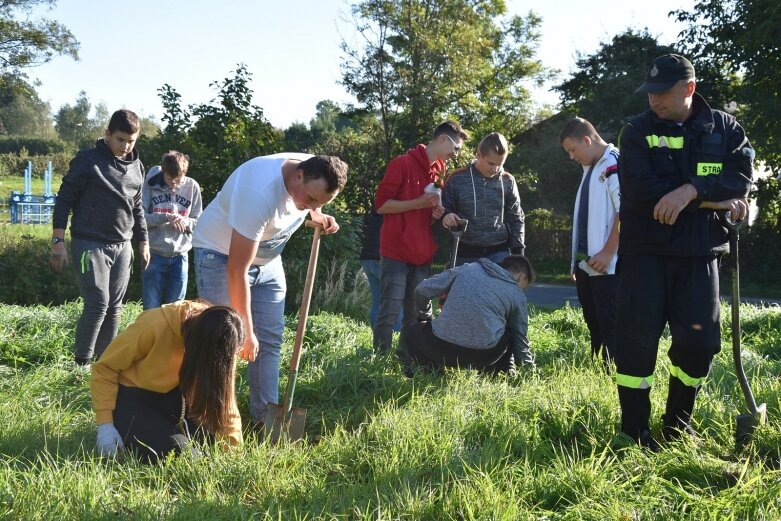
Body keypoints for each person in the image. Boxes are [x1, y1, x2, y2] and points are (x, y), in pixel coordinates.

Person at [615, 54, 753, 450]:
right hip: (646, 252)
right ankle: (634, 431)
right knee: (637, 341)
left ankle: (677, 424)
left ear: (689, 89)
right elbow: (643, 194)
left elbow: (740, 180)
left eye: (662, 92)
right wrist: (714, 200)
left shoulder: (724, 129)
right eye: (650, 92)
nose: (653, 100)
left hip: (699, 253)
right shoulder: (636, 131)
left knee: (700, 343)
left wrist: (690, 191)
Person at [192, 153, 348, 426]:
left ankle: (265, 420)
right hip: (220, 255)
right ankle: (211, 420)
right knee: (222, 341)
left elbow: (313, 199)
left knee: (270, 340)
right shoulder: (259, 193)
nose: (310, 206)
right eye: (311, 199)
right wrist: (247, 332)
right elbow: (236, 269)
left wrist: (318, 213)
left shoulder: (315, 170)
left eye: (321, 202)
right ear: (298, 175)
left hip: (268, 260)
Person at [50, 109, 150, 366]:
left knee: (115, 307)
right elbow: (64, 200)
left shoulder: (137, 167)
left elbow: (137, 207)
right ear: (107, 134)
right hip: (90, 243)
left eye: (131, 141)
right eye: (120, 139)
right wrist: (58, 241)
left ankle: (105, 365)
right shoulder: (88, 160)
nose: (126, 146)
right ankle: (81, 365)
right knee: (98, 302)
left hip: (122, 244)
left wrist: (143, 241)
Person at [91, 300, 245, 462]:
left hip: (176, 398)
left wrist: (234, 455)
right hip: (136, 399)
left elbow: (224, 398)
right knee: (187, 457)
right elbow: (105, 368)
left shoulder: (223, 336)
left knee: (213, 443)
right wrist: (105, 425)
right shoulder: (154, 325)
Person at [373, 121, 468, 354]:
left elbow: (426, 215)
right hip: (396, 249)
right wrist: (419, 203)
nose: (456, 154)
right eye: (456, 148)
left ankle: (407, 356)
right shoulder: (401, 164)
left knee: (416, 312)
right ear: (444, 139)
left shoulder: (438, 171)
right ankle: (379, 359)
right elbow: (382, 206)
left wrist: (435, 214)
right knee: (390, 310)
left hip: (422, 252)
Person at [397, 255, 535, 375]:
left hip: (440, 347)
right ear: (522, 276)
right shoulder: (516, 293)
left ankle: (432, 371)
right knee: (511, 331)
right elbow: (520, 337)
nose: (524, 289)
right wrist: (529, 370)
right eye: (526, 285)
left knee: (411, 333)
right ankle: (500, 373)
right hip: (484, 356)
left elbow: (422, 290)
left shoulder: (467, 269)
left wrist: (425, 315)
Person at [559, 117, 620, 369]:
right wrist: (577, 262)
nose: (571, 157)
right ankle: (598, 368)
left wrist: (607, 252)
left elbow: (626, 210)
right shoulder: (591, 168)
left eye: (572, 150)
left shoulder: (614, 163)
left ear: (587, 140)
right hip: (588, 264)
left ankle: (615, 372)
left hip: (608, 264)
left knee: (610, 321)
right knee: (592, 318)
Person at [441, 132, 525, 265]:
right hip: (464, 252)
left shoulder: (508, 181)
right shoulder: (457, 178)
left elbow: (516, 217)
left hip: (500, 252)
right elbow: (444, 207)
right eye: (491, 163)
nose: (495, 169)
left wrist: (518, 254)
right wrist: (446, 215)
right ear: (478, 155)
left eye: (500, 164)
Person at [141, 151, 203, 310]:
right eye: (169, 180)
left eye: (178, 181)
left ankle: (170, 336)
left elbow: (199, 222)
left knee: (175, 309)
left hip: (180, 256)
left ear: (185, 173)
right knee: (151, 308)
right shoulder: (149, 184)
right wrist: (165, 217)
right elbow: (140, 219)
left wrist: (185, 221)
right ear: (163, 171)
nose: (173, 185)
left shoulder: (192, 186)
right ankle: (150, 335)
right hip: (154, 254)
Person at [359, 209, 402, 331]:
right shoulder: (392, 215)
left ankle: (377, 335)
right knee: (398, 301)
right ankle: (396, 335)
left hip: (366, 258)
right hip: (382, 259)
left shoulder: (373, 215)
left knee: (377, 301)